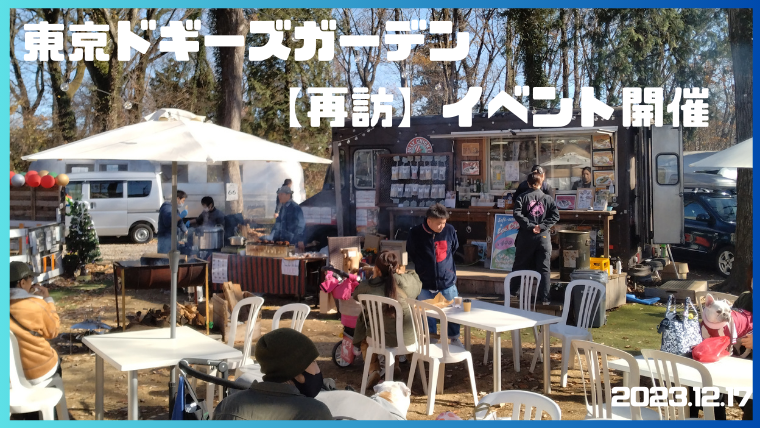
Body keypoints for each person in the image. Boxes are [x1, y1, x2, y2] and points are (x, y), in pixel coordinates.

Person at [212, 329, 333, 420]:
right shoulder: (316, 414)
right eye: (313, 361)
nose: (318, 367)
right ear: (297, 371)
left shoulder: (227, 407)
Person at [352, 251, 422, 389]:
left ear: (377, 268)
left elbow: (355, 295)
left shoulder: (367, 286)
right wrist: (401, 273)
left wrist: (374, 276)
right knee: (392, 332)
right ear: (397, 267)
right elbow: (418, 283)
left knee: (365, 337)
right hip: (405, 339)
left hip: (377, 339)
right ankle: (394, 366)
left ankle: (373, 370)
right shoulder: (406, 282)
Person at [407, 204, 463, 348]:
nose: (442, 226)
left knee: (454, 312)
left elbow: (454, 247)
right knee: (427, 315)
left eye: (444, 222)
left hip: (447, 281)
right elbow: (412, 253)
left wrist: (446, 269)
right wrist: (424, 269)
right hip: (425, 283)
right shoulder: (415, 233)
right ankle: (431, 340)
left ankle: (454, 338)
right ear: (429, 221)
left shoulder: (449, 230)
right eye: (439, 223)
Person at [10, 262, 61, 385]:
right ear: (22, 283)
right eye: (31, 279)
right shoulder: (36, 305)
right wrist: (47, 300)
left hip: (11, 378)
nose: (32, 283)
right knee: (57, 362)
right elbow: (53, 331)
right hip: (38, 371)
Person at [513, 172, 560, 305]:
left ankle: (513, 293)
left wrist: (530, 225)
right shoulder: (548, 198)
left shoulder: (522, 197)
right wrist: (542, 226)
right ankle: (545, 298)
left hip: (526, 236)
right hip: (543, 237)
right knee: (544, 268)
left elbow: (516, 213)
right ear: (541, 183)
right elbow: (556, 216)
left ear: (528, 183)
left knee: (520, 265)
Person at [271, 186, 305, 252]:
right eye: (279, 194)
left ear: (288, 195)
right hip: (283, 241)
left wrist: (300, 240)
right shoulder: (283, 208)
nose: (279, 196)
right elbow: (278, 224)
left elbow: (300, 224)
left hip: (293, 241)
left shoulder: (295, 207)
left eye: (281, 194)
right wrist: (274, 238)